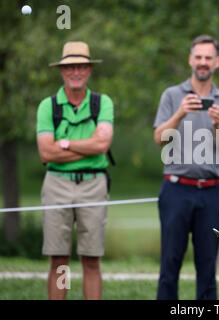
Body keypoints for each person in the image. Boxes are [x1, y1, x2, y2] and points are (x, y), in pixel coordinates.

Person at [153, 35, 219, 300]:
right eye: (198, 57)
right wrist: (178, 114)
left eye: (208, 58)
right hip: (176, 190)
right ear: (190, 59)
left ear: (217, 62)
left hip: (211, 193)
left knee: (207, 265)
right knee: (170, 263)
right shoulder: (171, 95)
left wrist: (217, 126)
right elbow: (159, 139)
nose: (202, 62)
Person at [36, 41, 114, 300]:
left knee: (91, 258)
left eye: (81, 66)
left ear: (89, 70)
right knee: (59, 259)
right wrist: (87, 146)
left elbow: (102, 145)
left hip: (94, 184)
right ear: (62, 71)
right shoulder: (49, 106)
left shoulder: (102, 103)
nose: (76, 72)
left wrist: (66, 143)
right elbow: (46, 153)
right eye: (70, 67)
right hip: (57, 182)